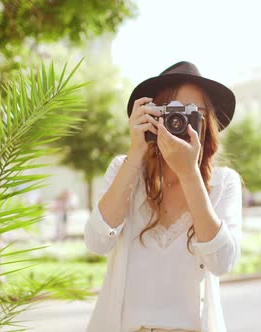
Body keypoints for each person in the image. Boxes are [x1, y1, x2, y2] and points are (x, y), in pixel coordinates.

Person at [83, 61, 242, 332]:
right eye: (170, 111)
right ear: (152, 116)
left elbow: (222, 262)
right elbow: (97, 242)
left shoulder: (223, 182)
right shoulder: (123, 171)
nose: (178, 122)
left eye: (193, 113)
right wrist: (136, 153)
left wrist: (189, 174)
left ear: (207, 125)